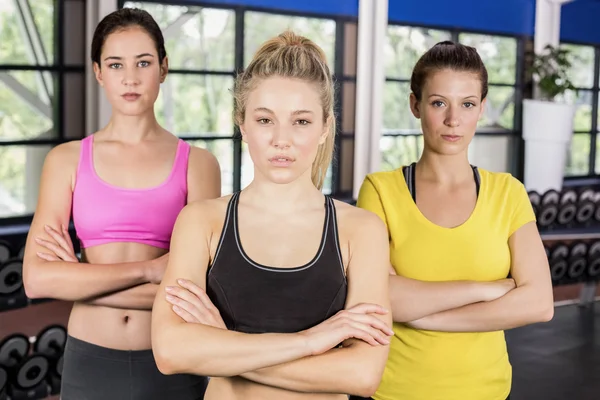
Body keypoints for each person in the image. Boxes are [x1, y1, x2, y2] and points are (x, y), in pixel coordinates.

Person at [149, 31, 394, 400]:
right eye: (265, 120)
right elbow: (170, 351)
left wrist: (224, 346)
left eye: (301, 121)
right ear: (242, 124)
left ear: (326, 127)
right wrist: (311, 342)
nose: (282, 139)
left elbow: (362, 374)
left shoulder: (361, 230)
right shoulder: (201, 222)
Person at [22, 8, 220, 400]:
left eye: (143, 63)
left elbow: (200, 290)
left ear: (163, 68)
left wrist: (78, 281)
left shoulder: (199, 164)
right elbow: (37, 279)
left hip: (172, 356)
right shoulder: (65, 160)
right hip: (88, 360)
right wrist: (152, 271)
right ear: (98, 71)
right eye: (115, 64)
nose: (130, 78)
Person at [353, 41, 554, 400]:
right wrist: (487, 289)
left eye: (467, 104)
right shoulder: (380, 191)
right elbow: (380, 299)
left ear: (481, 109)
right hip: (396, 391)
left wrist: (426, 317)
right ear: (416, 105)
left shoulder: (508, 193)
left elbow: (538, 303)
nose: (453, 120)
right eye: (438, 103)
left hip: (487, 390)